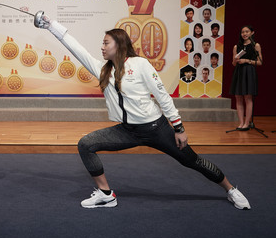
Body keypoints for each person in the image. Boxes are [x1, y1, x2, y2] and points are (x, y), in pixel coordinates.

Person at [34, 12, 251, 210]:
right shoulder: (103, 70)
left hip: (157, 128)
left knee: (192, 161)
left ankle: (230, 189)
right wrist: (50, 25)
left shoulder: (140, 64)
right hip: (127, 131)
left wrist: (179, 128)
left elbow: (163, 96)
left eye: (105, 43)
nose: (101, 47)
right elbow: (76, 47)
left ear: (118, 45)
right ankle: (106, 194)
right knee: (85, 144)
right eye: (102, 43)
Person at [229, 25, 263, 131]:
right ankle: (241, 123)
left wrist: (246, 61)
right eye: (243, 32)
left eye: (247, 31)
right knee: (238, 97)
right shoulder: (236, 46)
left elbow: (260, 62)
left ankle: (247, 123)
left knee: (248, 98)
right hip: (239, 72)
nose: (244, 34)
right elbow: (233, 64)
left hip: (249, 71)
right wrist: (236, 59)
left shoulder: (255, 45)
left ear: (252, 33)